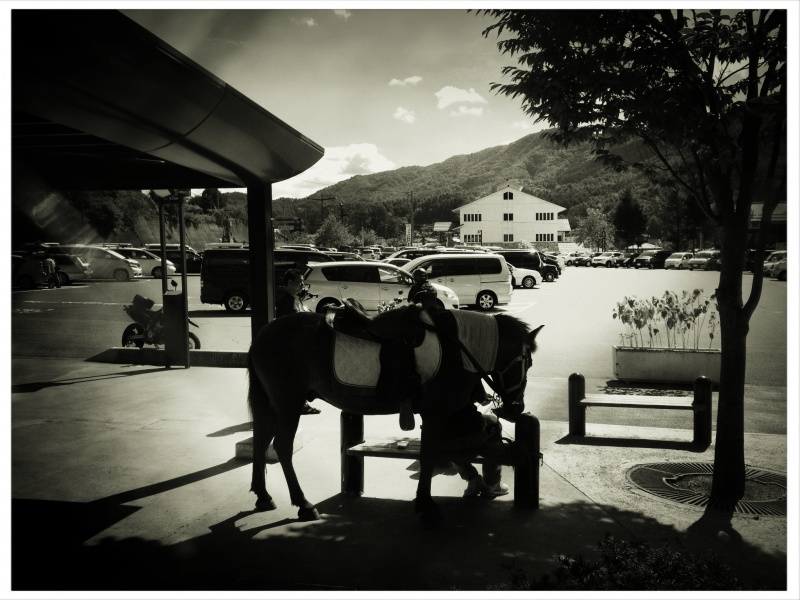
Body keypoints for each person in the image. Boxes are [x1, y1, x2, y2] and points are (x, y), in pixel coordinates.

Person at [437, 387, 510, 497]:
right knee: (494, 424)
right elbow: (481, 397)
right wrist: (484, 397)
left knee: (450, 440)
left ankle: (473, 478)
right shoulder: (465, 376)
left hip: (442, 439)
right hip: (469, 433)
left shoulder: (431, 379)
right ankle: (492, 483)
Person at [275, 269, 321, 415]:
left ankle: (301, 402)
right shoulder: (284, 301)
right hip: (291, 347)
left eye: (303, 281)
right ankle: (300, 404)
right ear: (289, 283)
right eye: (299, 282)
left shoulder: (296, 299)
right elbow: (284, 326)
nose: (302, 284)